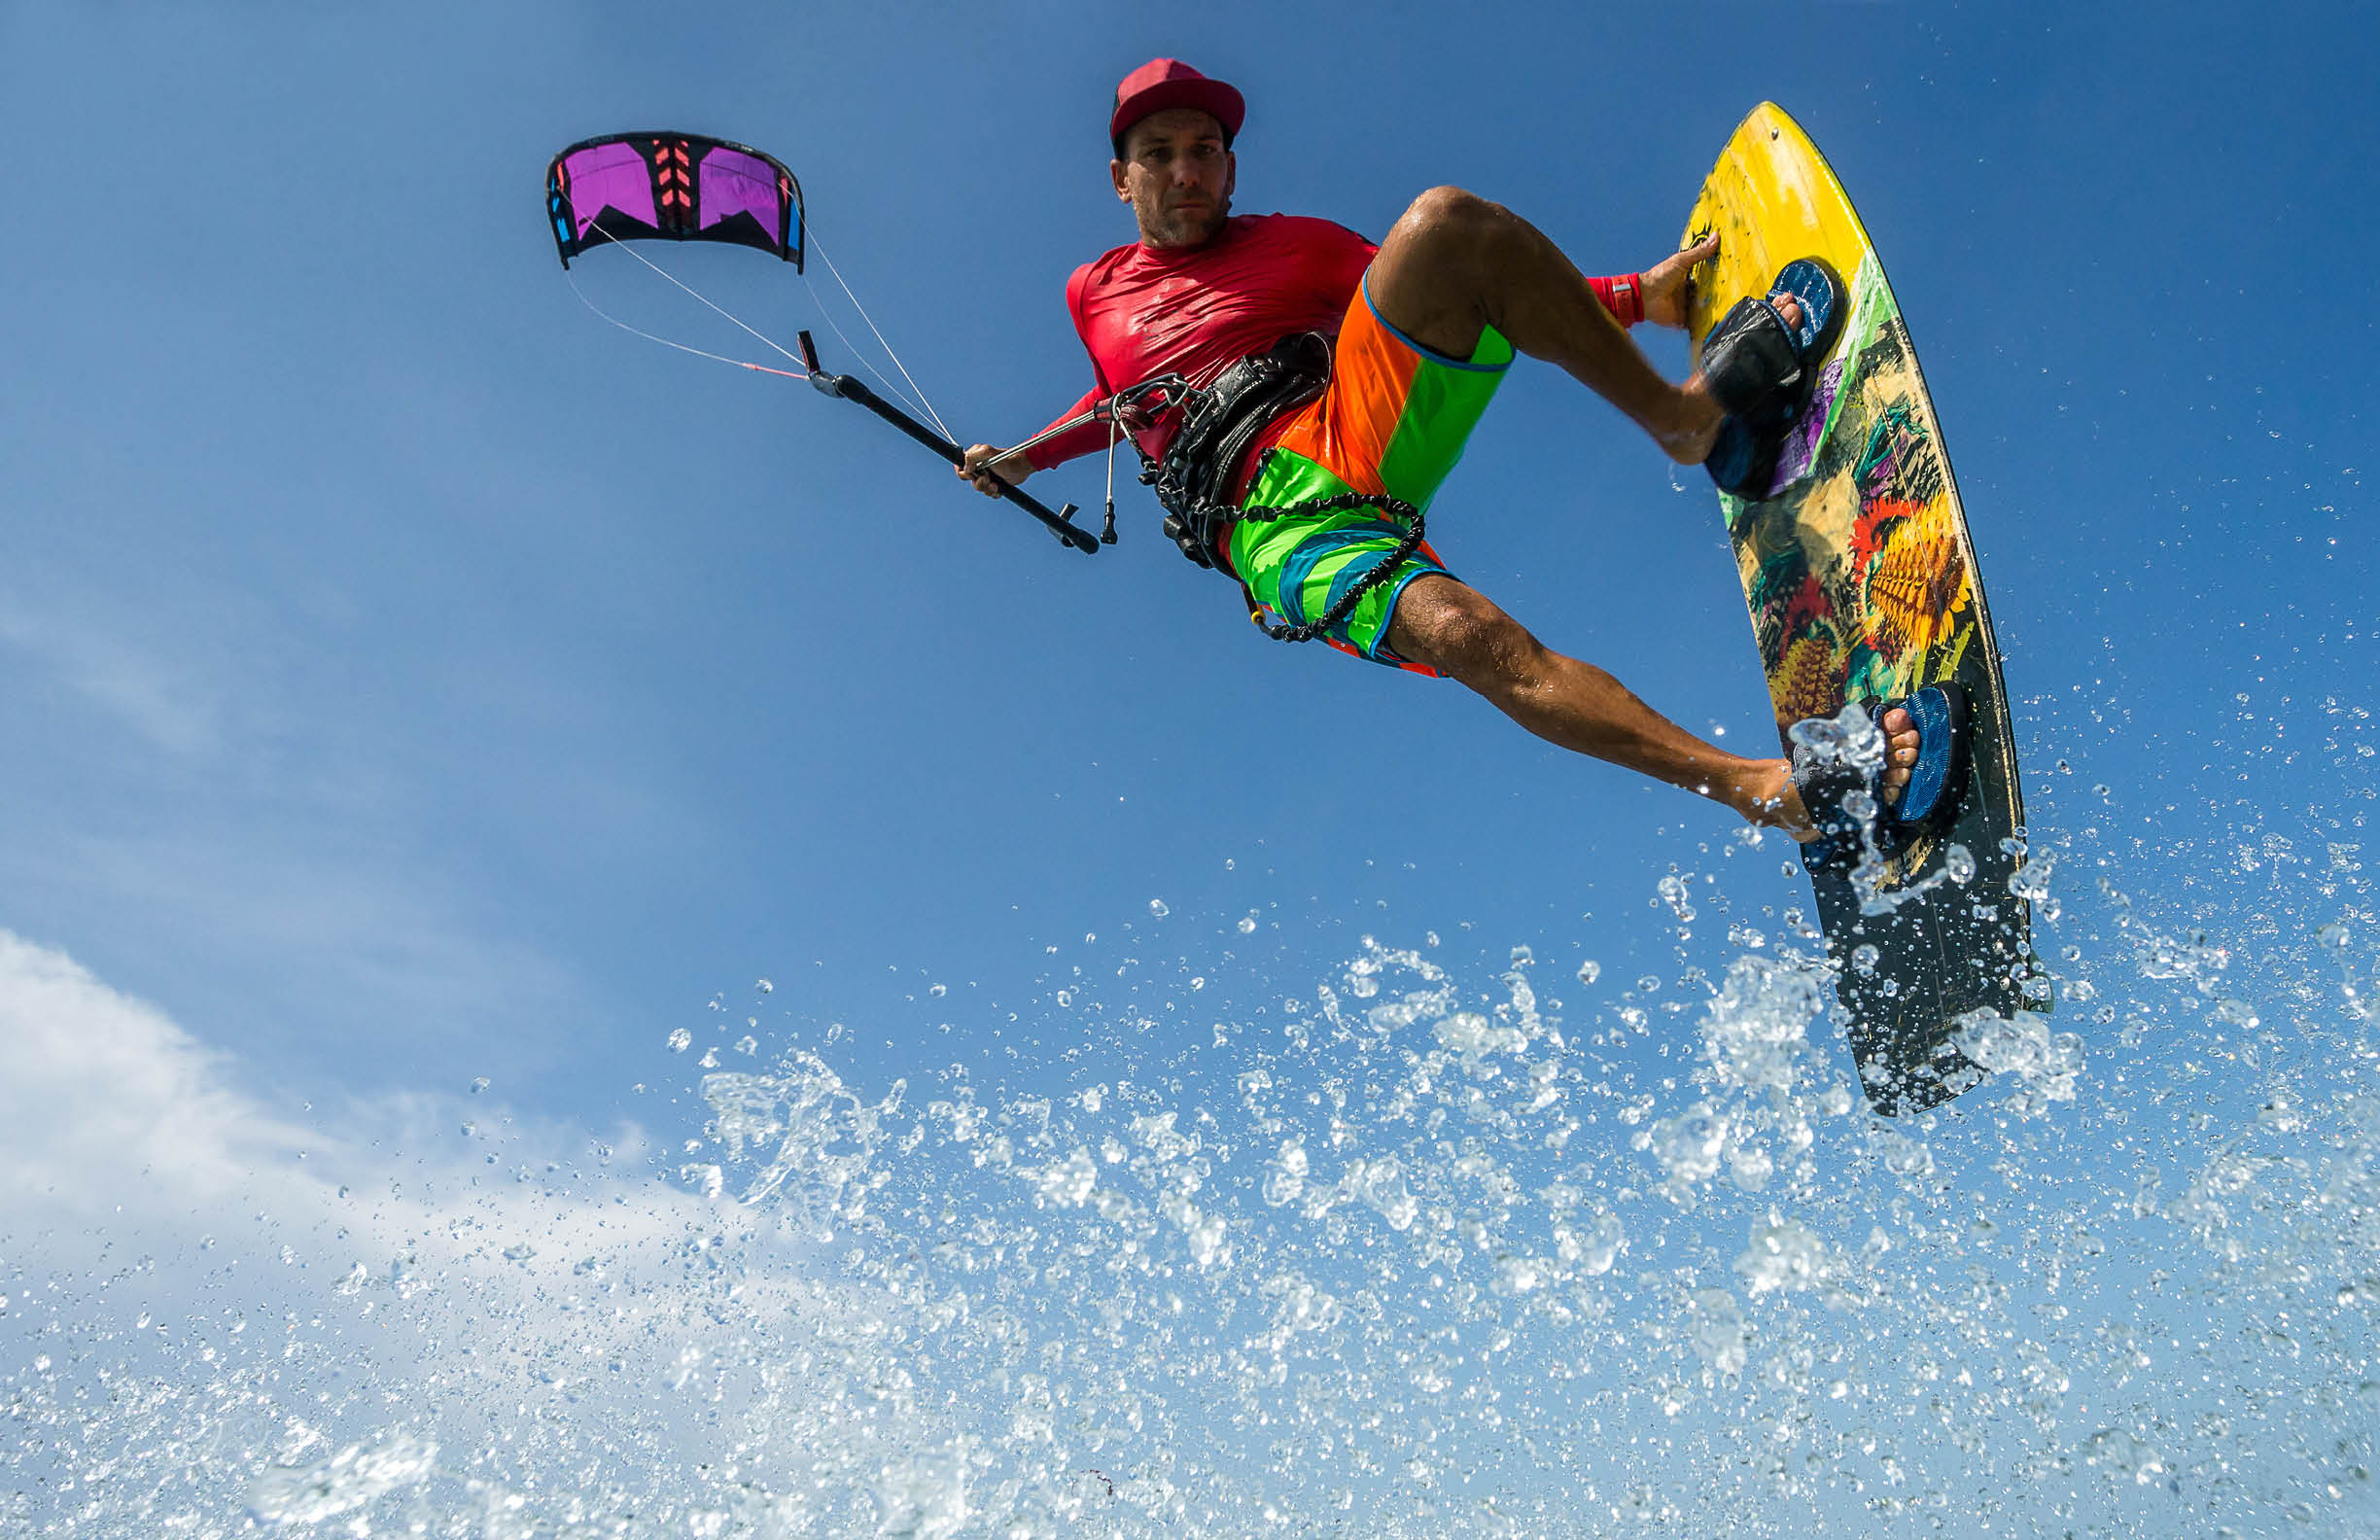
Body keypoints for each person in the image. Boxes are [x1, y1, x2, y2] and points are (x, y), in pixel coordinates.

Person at [960, 58, 1939, 844]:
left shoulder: (1296, 246)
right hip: (1269, 524)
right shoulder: (1093, 291)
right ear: (1120, 176)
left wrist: (1637, 297)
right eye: (1160, 154)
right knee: (1469, 634)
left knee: (1443, 224)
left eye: (1206, 151)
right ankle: (1765, 790)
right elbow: (1121, 399)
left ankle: (1683, 421)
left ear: (1230, 166)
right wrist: (1027, 459)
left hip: (1348, 424)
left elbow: (1485, 282)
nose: (1187, 172)